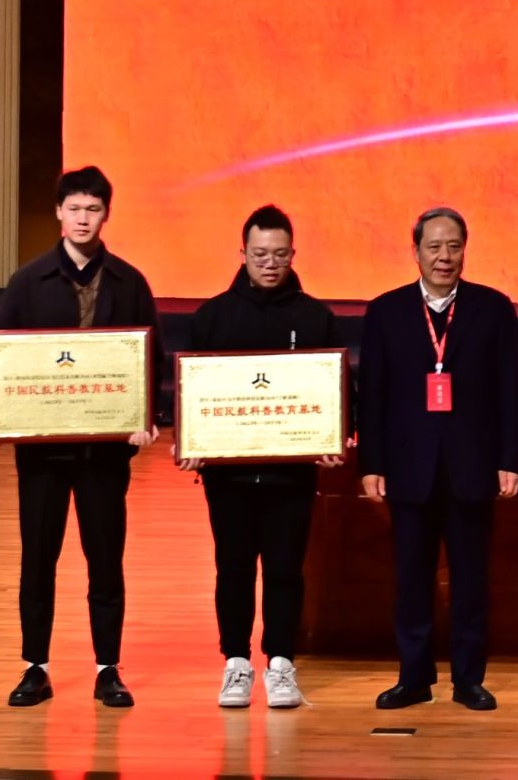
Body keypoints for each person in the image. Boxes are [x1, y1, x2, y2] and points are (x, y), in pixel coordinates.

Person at [0, 164, 158, 710]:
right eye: (74, 208)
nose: (83, 218)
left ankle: (108, 668)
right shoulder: (27, 282)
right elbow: (3, 358)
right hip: (42, 452)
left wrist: (147, 418)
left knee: (105, 559)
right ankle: (35, 666)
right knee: (39, 558)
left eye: (93, 209)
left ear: (107, 214)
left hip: (105, 451)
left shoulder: (130, 282)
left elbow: (149, 357)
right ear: (59, 212)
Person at [359, 206, 518, 712]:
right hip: (408, 468)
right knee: (412, 580)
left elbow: (509, 391)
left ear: (464, 250)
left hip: (472, 467)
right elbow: (373, 396)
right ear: (415, 252)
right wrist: (371, 463)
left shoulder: (493, 309)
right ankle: (414, 677)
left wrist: (510, 459)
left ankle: (469, 680)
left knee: (471, 580)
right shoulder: (385, 312)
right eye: (433, 246)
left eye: (453, 246)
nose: (444, 256)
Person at [180, 203, 340, 712]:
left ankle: (281, 663)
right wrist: (190, 443)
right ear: (242, 253)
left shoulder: (315, 318)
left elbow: (338, 391)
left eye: (280, 254)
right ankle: (235, 662)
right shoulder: (211, 318)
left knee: (285, 569)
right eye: (259, 254)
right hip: (228, 477)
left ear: (293, 254)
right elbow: (188, 393)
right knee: (232, 569)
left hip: (291, 476)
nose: (270, 264)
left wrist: (333, 437)